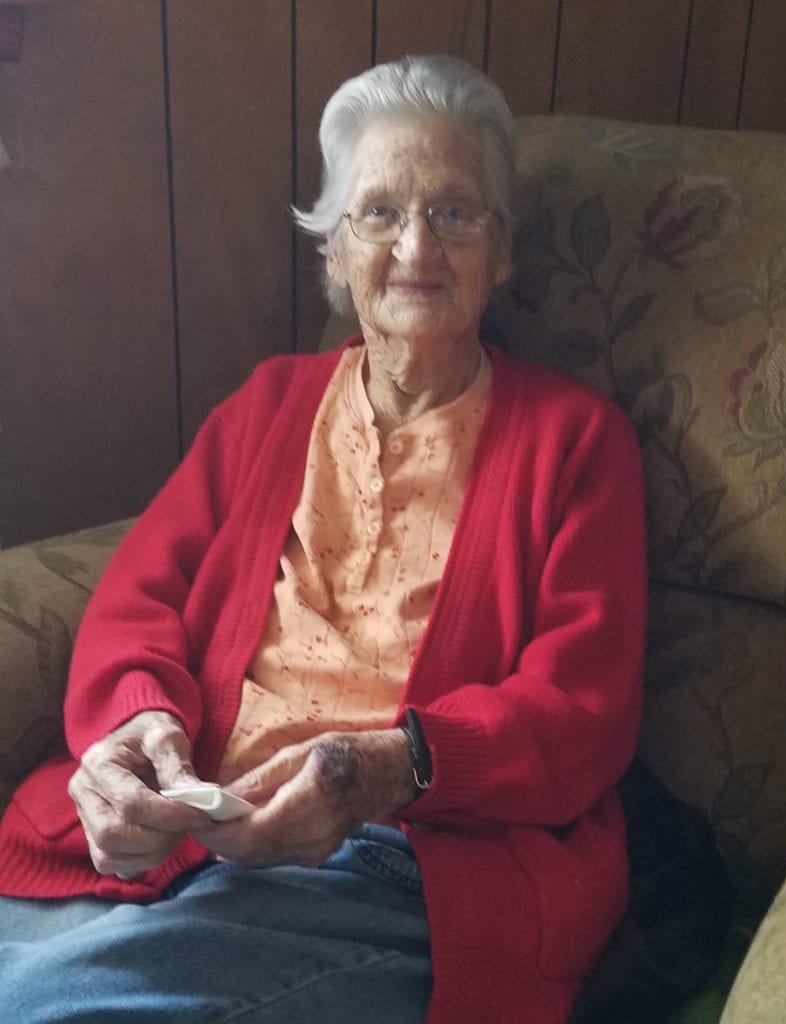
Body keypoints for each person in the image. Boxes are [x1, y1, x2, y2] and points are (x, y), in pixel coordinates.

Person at [0, 55, 646, 1023]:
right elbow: (139, 598)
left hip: (407, 856)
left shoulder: (577, 442)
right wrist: (140, 734)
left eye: (456, 212)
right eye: (379, 212)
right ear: (336, 253)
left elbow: (582, 712)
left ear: (503, 252)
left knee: (57, 1003)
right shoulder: (268, 404)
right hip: (203, 815)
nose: (416, 245)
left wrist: (386, 766)